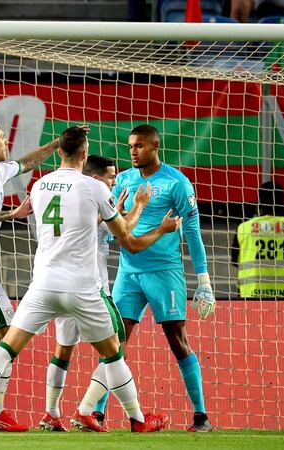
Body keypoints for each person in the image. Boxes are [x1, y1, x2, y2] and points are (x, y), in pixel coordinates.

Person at [0, 126, 170, 434]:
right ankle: (138, 420)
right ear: (84, 154)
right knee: (113, 352)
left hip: (42, 286)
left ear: (60, 151)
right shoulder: (95, 189)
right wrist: (140, 207)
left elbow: (26, 165)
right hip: (81, 288)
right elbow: (125, 234)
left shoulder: (39, 186)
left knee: (6, 347)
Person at [38, 154, 183, 432]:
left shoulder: (74, 201)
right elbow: (131, 241)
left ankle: (51, 413)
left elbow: (112, 222)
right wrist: (153, 219)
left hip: (57, 282)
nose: (114, 182)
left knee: (63, 349)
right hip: (90, 289)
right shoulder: (95, 199)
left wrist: (121, 211)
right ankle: (102, 412)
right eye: (110, 177)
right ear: (95, 179)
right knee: (117, 347)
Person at [0, 120, 77, 432]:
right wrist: (12, 214)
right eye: (2, 137)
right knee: (8, 339)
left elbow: (27, 162)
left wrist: (56, 144)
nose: (7, 141)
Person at [107, 124, 216, 432]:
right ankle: (96, 414)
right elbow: (113, 222)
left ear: (155, 146)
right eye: (130, 146)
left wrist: (204, 281)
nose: (132, 151)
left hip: (165, 273)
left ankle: (201, 416)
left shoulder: (176, 182)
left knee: (177, 340)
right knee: (114, 342)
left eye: (139, 146)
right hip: (128, 272)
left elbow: (192, 232)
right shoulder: (124, 181)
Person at [231, 181, 284, 298]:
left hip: (251, 296)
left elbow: (235, 261)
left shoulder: (244, 228)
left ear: (259, 203)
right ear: (283, 203)